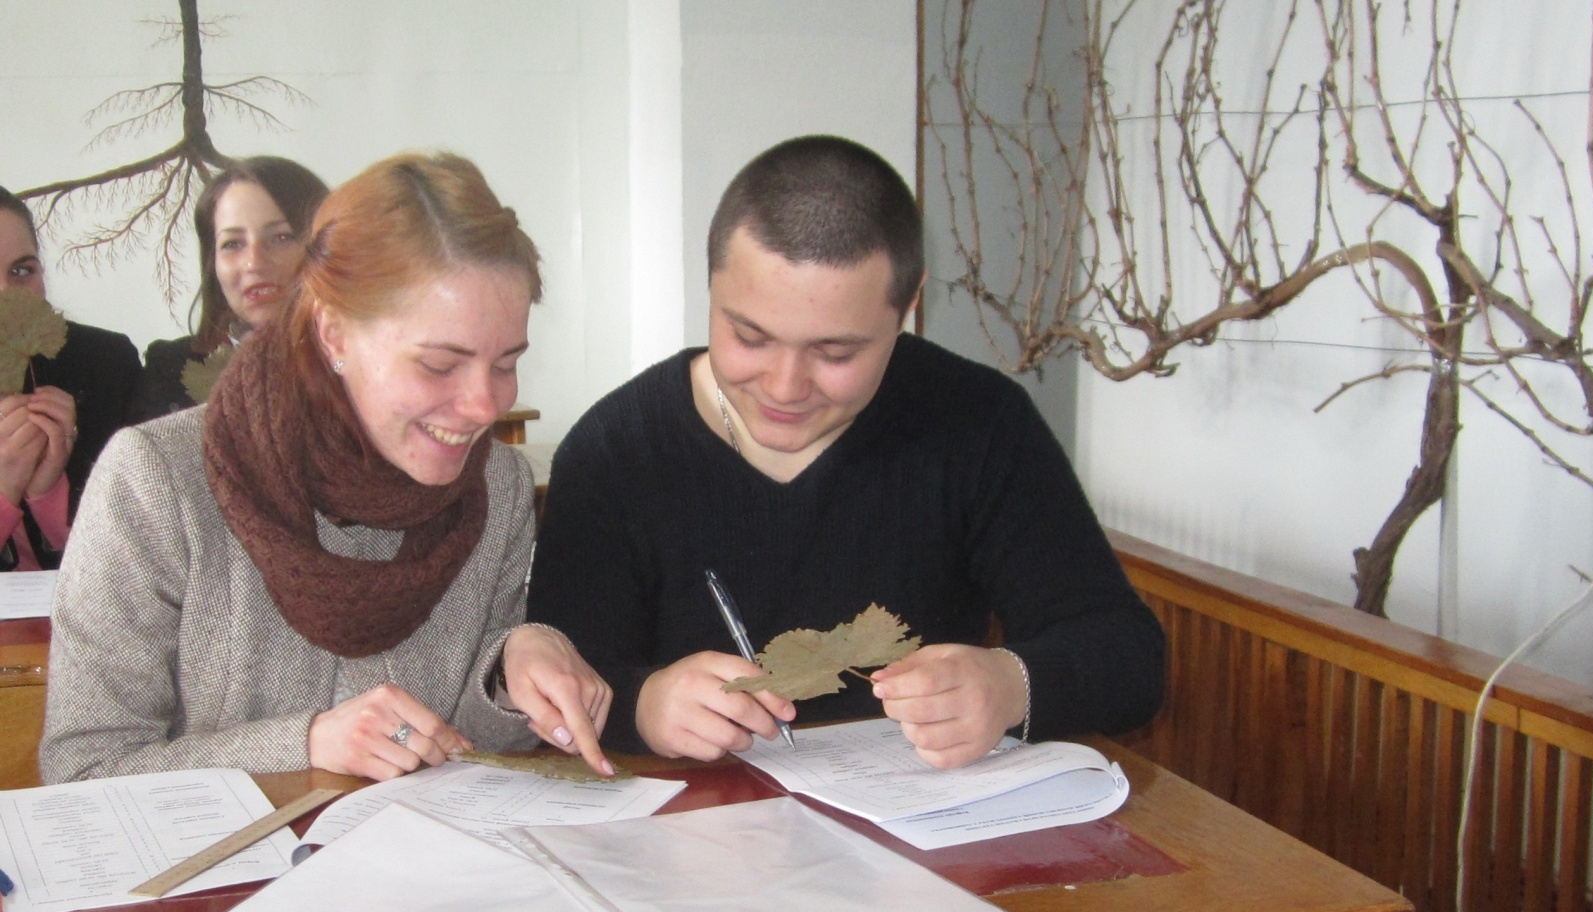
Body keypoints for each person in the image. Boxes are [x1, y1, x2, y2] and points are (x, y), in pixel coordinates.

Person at [528, 135, 1165, 769]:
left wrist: (1009, 684)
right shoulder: (616, 451)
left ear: (907, 308)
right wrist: (643, 704)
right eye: (750, 337)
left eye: (835, 353)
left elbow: (1129, 656)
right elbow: (562, 677)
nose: (785, 387)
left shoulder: (979, 424)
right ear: (711, 288)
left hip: (920, 816)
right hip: (692, 816)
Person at [41, 152, 612, 783]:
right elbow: (82, 769)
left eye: (506, 363)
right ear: (335, 335)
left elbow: (471, 746)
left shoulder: (495, 486)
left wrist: (511, 671)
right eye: (440, 365)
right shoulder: (156, 480)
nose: (485, 405)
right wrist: (305, 743)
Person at [0, 186, 141, 569]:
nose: (7, 295)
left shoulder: (104, 363)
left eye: (21, 271)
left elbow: (140, 561)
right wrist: (5, 490)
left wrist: (50, 494)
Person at [127, 157, 329, 422]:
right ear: (213, 263)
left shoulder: (366, 362)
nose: (254, 263)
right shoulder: (168, 373)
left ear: (323, 248)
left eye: (282, 237)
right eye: (233, 244)